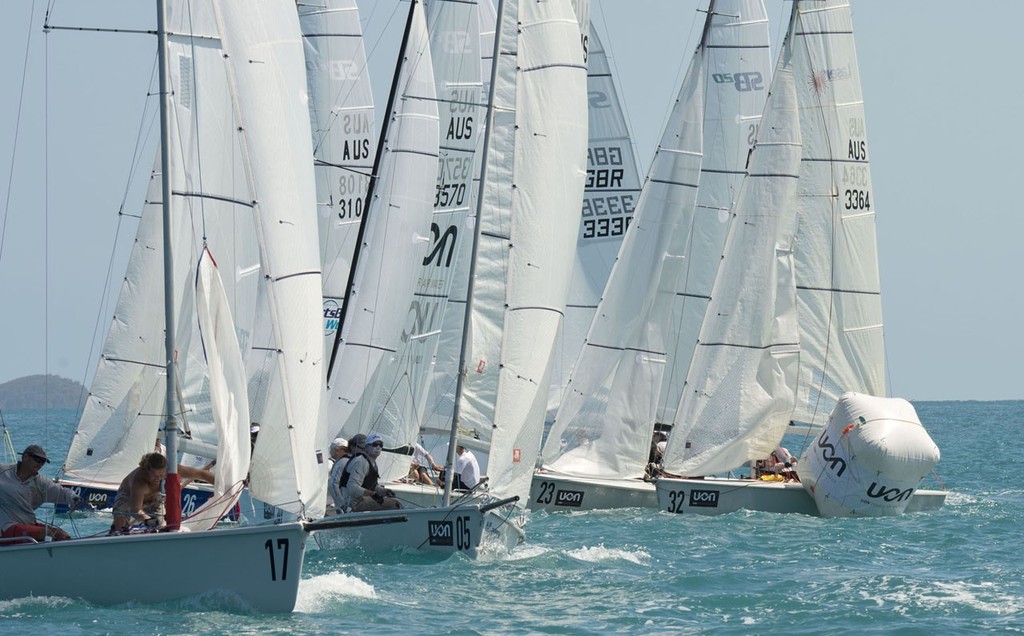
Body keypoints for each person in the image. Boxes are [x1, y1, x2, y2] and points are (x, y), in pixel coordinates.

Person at [0, 445, 84, 542]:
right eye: (37, 460)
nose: (40, 464)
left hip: (27, 525)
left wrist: (73, 498)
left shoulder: (40, 483)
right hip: (5, 527)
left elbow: (62, 492)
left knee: (62, 535)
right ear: (25, 457)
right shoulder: (2, 471)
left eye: (43, 462)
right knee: (44, 533)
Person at [110, 452, 171, 533]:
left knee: (160, 524)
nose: (158, 478)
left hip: (153, 498)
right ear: (147, 470)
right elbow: (135, 509)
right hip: (129, 497)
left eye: (161, 475)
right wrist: (147, 519)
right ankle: (116, 532)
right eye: (154, 475)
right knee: (120, 520)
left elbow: (193, 473)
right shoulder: (139, 481)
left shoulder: (171, 470)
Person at [338, 433, 400, 512]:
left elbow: (373, 486)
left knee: (391, 499)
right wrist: (371, 494)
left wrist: (385, 491)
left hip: (361, 500)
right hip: (352, 503)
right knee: (395, 504)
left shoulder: (372, 462)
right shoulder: (361, 461)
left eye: (380, 445)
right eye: (375, 444)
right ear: (366, 447)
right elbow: (352, 487)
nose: (378, 447)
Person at [327, 435, 358, 514]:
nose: (348, 452)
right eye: (345, 450)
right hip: (332, 505)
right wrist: (342, 505)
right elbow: (332, 484)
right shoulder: (330, 464)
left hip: (337, 503)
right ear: (337, 450)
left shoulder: (343, 462)